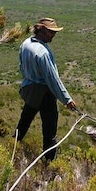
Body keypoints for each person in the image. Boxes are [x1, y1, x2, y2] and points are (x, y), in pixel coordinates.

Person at [15, 17, 77, 161]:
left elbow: (21, 67)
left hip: (29, 90)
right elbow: (52, 79)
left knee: (24, 121)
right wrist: (66, 99)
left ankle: (11, 147)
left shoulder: (25, 44)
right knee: (50, 130)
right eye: (51, 32)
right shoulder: (42, 52)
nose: (53, 35)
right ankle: (49, 163)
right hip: (44, 93)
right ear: (42, 30)